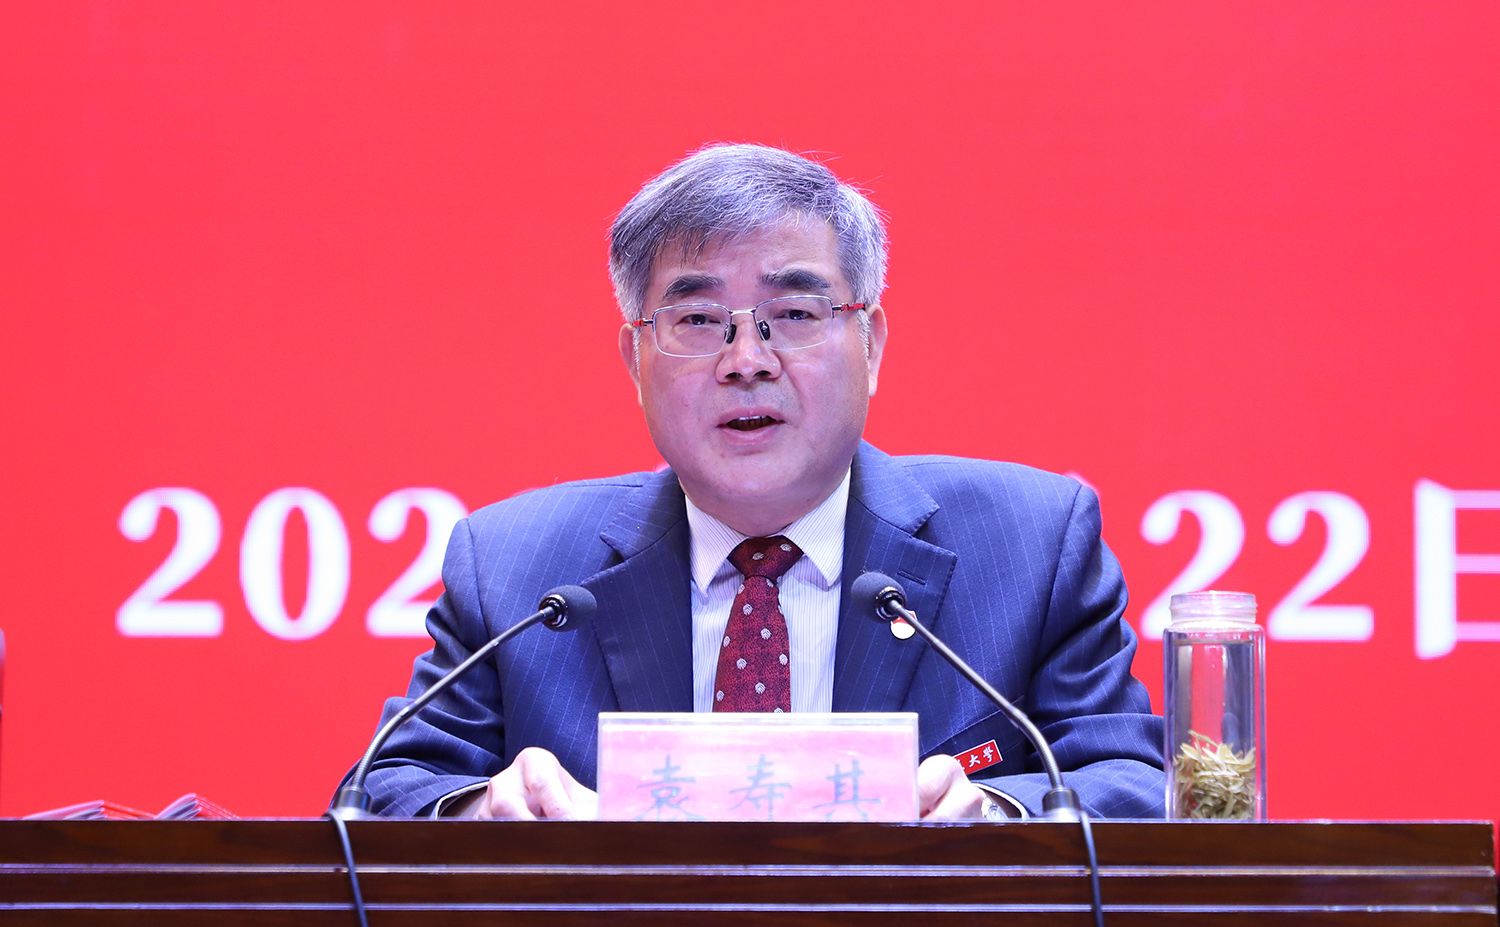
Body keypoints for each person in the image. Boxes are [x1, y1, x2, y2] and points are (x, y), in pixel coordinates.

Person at [356, 144, 1164, 821]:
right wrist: (482, 810)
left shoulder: (1032, 545)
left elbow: (1133, 784)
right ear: (635, 360)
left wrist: (997, 815)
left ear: (872, 344)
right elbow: (381, 795)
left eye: (797, 315)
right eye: (698, 321)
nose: (746, 361)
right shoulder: (513, 568)